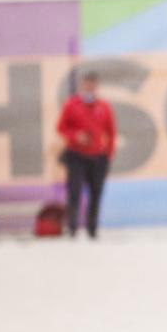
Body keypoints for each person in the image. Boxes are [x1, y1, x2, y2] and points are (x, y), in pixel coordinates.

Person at [56, 72, 116, 238]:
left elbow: (111, 132)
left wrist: (108, 155)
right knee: (74, 191)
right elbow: (61, 127)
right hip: (76, 155)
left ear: (96, 87)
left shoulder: (104, 107)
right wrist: (75, 136)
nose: (89, 88)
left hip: (98, 157)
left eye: (92, 85)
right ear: (82, 86)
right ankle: (72, 227)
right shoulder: (71, 105)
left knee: (96, 193)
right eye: (86, 85)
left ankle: (92, 228)